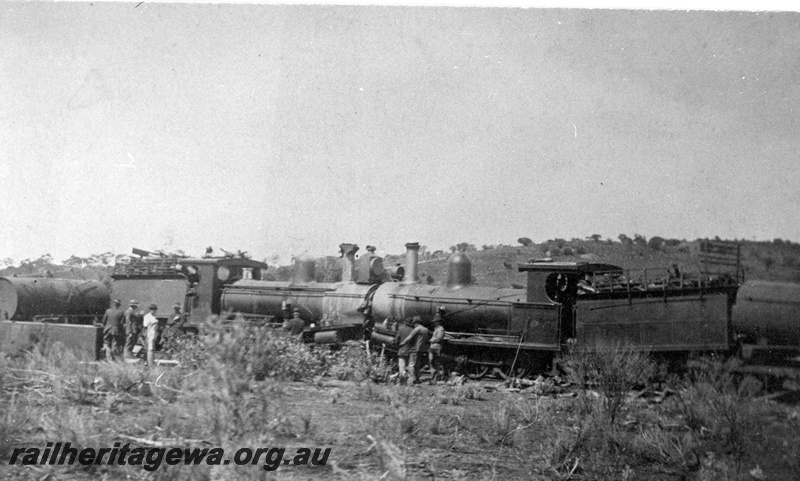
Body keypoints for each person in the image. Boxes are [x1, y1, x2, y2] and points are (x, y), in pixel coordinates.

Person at [400, 316, 431, 385]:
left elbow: (409, 337)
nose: (414, 325)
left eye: (414, 323)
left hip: (415, 350)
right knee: (417, 365)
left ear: (416, 323)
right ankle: (417, 379)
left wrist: (402, 343)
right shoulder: (426, 330)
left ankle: (411, 380)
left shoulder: (417, 329)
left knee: (411, 365)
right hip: (422, 350)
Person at [428, 308, 447, 382]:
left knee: (434, 362)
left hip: (436, 347)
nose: (434, 323)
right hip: (433, 347)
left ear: (438, 322)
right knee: (432, 362)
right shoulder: (437, 329)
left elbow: (439, 338)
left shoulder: (440, 329)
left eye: (435, 322)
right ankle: (434, 377)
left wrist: (431, 340)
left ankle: (435, 377)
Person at [394, 318, 415, 385]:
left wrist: (398, 346)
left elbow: (396, 340)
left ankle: (402, 380)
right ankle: (410, 381)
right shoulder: (413, 330)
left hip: (402, 350)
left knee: (402, 366)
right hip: (411, 350)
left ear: (405, 323)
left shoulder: (401, 329)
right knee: (411, 366)